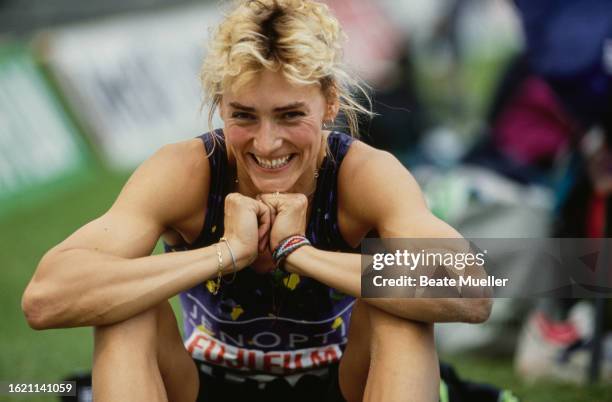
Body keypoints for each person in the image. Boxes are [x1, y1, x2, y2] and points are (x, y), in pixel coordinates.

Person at [21, 1, 491, 401]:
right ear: (220, 104)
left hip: (340, 385)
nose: (267, 145)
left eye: (290, 115)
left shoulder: (364, 173)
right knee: (126, 308)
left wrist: (300, 253)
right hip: (204, 384)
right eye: (244, 116)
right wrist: (224, 253)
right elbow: (45, 299)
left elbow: (471, 289)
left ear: (329, 103)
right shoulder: (185, 170)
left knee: (398, 303)